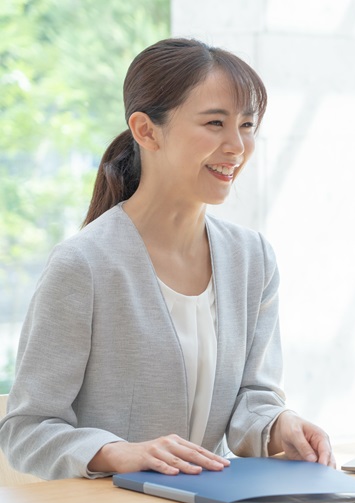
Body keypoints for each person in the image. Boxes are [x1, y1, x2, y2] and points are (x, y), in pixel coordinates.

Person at [0, 38, 335, 480]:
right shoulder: (83, 265)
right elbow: (26, 429)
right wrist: (116, 452)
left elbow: (252, 400)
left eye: (248, 124)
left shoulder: (253, 259)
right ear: (146, 130)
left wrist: (279, 426)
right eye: (215, 123)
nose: (237, 146)